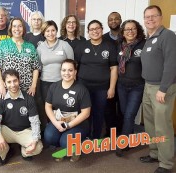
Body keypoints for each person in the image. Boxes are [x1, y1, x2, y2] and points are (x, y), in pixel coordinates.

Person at [139, 5, 176, 173]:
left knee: (163, 126)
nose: (150, 19)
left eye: (154, 16)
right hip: (148, 86)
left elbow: (171, 64)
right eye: (147, 17)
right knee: (151, 124)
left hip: (162, 88)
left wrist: (163, 88)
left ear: (161, 18)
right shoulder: (150, 38)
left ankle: (166, 164)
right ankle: (154, 153)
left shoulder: (167, 35)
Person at [0, 69, 43, 166]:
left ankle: (24, 151)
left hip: (25, 131)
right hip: (8, 131)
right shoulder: (1, 97)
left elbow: (35, 122)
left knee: (38, 147)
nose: (13, 85)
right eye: (9, 82)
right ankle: (5, 153)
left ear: (19, 80)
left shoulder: (28, 97)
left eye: (15, 81)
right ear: (4, 84)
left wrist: (34, 141)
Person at [74, 20, 118, 139]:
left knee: (99, 113)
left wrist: (112, 88)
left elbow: (114, 68)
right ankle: (84, 137)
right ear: (88, 32)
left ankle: (96, 137)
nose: (95, 31)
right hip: (84, 87)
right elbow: (75, 67)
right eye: (92, 29)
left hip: (102, 88)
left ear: (102, 30)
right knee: (84, 114)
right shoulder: (82, 46)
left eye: (97, 28)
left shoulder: (109, 46)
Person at [44, 59, 91, 162]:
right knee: (49, 136)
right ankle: (63, 148)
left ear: (75, 72)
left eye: (70, 70)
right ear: (60, 71)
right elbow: (48, 107)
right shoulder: (54, 87)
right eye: (64, 70)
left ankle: (76, 147)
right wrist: (56, 123)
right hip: (59, 121)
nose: (66, 73)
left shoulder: (81, 89)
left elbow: (86, 113)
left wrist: (68, 126)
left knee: (66, 141)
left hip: (77, 123)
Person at [115, 20, 146, 157]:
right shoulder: (119, 46)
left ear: (138, 30)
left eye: (133, 29)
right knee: (124, 113)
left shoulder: (143, 44)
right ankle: (130, 136)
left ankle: (123, 143)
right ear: (123, 32)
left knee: (129, 115)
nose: (130, 31)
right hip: (121, 85)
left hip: (137, 86)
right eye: (127, 29)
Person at [0, 17, 40, 98]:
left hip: (27, 90)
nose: (17, 29)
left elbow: (36, 67)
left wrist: (33, 86)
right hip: (9, 89)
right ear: (11, 28)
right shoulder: (3, 44)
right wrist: (1, 84)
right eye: (14, 26)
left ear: (23, 28)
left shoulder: (30, 46)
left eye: (20, 26)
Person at [37, 20, 74, 103]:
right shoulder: (40, 48)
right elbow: (38, 66)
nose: (50, 33)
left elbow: (72, 64)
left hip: (63, 81)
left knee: (63, 105)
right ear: (44, 33)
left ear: (56, 31)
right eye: (47, 31)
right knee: (48, 106)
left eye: (53, 30)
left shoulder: (65, 45)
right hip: (45, 83)